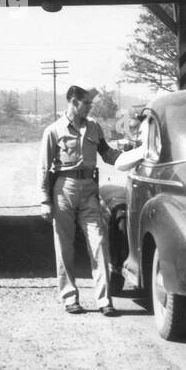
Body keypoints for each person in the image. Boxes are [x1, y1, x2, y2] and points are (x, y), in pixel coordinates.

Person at [39, 86, 134, 316]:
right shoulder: (53, 131)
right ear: (73, 102)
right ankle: (70, 297)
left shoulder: (94, 127)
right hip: (64, 188)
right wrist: (44, 199)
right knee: (65, 246)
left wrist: (132, 156)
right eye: (86, 103)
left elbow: (107, 153)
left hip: (90, 190)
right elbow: (43, 167)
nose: (90, 107)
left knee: (99, 242)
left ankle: (104, 300)